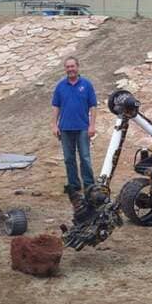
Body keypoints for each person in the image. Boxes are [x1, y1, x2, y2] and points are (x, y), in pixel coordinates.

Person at [51, 56, 97, 199]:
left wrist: (92, 125)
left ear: (77, 67)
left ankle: (89, 185)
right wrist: (54, 124)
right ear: (65, 69)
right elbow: (56, 106)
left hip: (83, 128)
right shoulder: (60, 86)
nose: (70, 69)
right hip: (65, 129)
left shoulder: (87, 85)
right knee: (69, 158)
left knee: (85, 157)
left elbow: (93, 106)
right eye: (68, 67)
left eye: (72, 66)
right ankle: (74, 185)